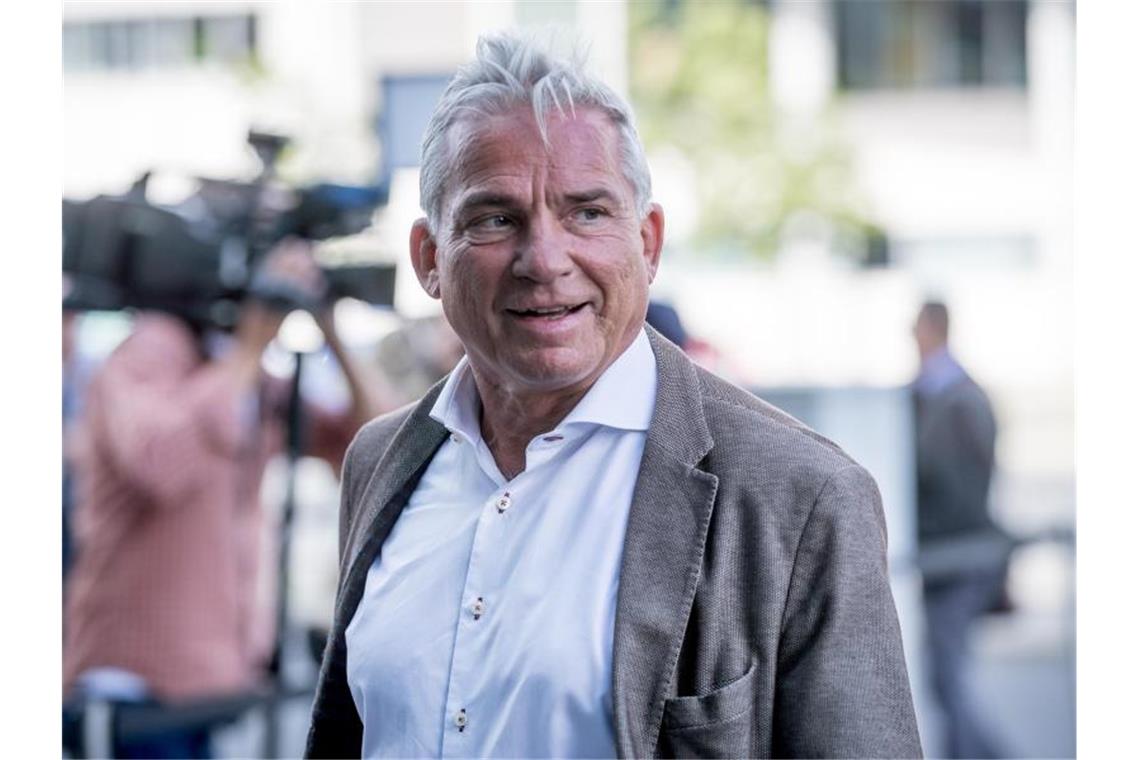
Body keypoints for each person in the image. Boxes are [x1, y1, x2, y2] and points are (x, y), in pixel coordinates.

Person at [306, 34, 921, 759]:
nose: (544, 260)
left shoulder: (800, 497)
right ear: (430, 259)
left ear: (649, 243)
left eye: (587, 213)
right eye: (496, 218)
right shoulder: (380, 462)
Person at [63, 240, 386, 758]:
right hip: (134, 690)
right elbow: (160, 464)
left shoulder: (236, 369)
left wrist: (331, 330)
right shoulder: (150, 347)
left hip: (206, 686)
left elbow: (376, 446)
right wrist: (251, 349)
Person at [912, 299, 1011, 759]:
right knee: (944, 677)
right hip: (952, 552)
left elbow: (960, 485)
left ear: (932, 329)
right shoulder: (944, 394)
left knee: (947, 677)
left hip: (957, 553)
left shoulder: (959, 399)